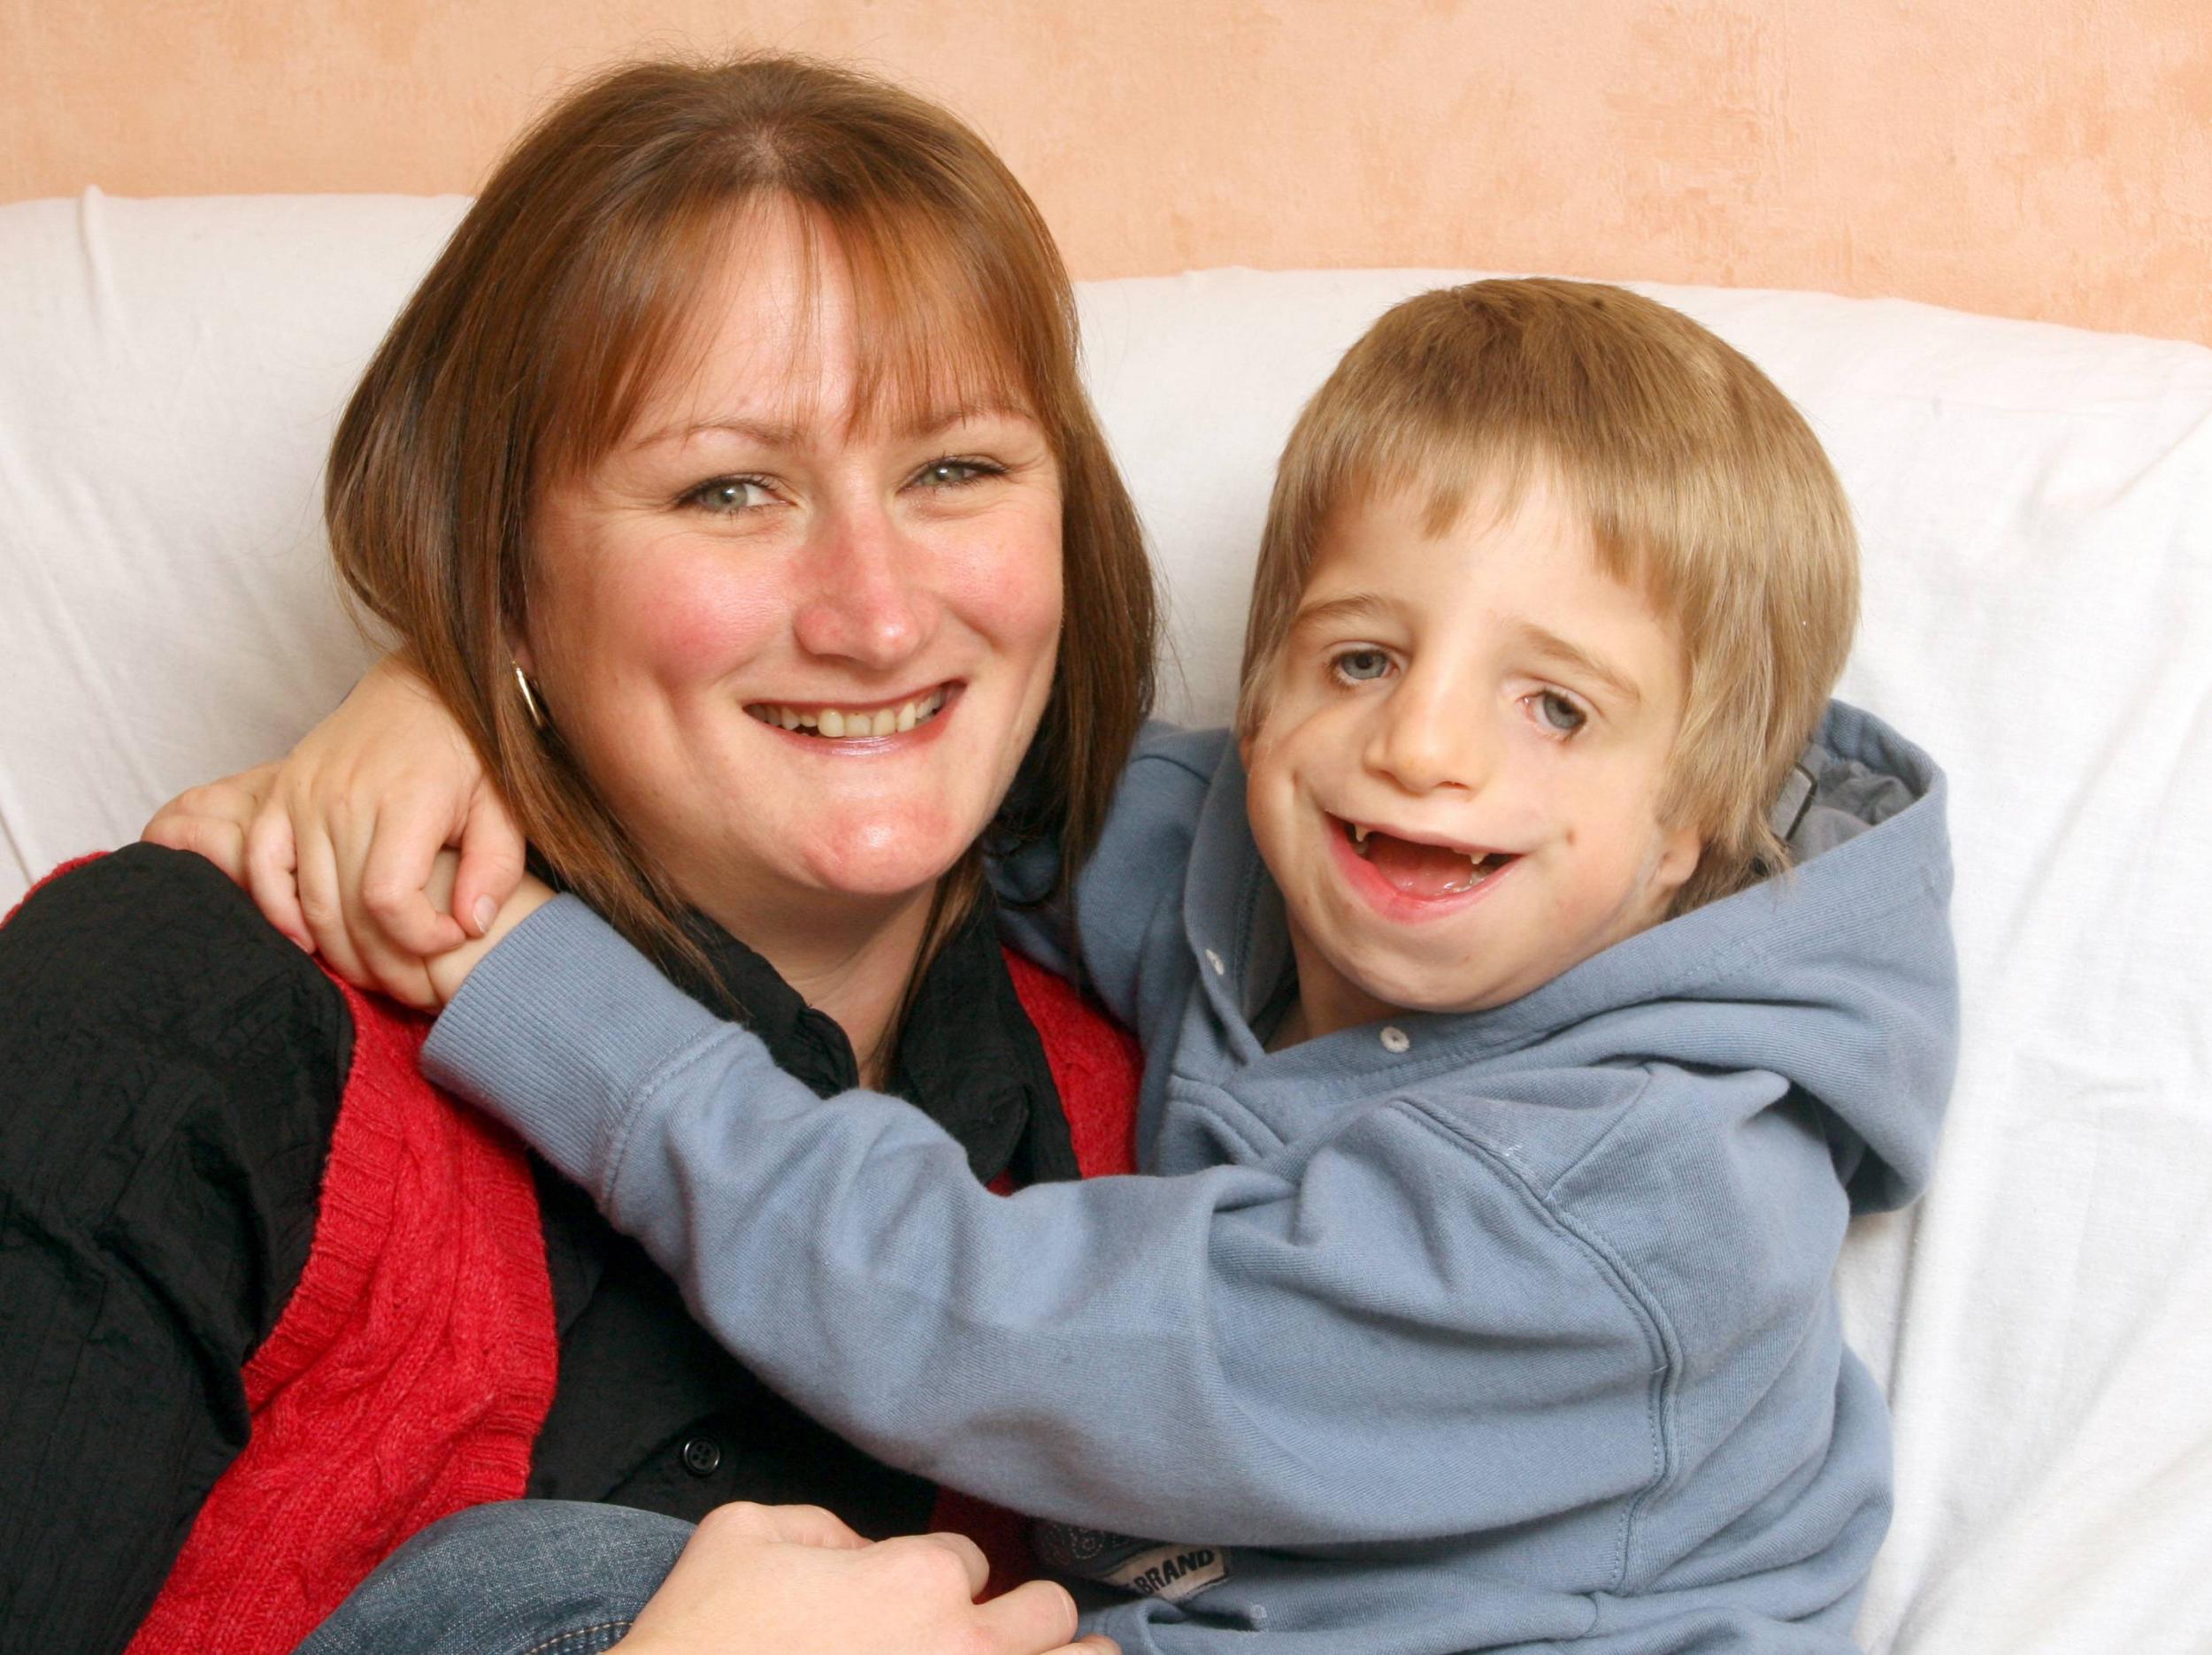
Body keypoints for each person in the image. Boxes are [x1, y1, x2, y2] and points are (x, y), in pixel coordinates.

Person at [184, 279, 1958, 1653]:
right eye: (1357, 658)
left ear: (1691, 827)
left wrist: (523, 972)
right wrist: (454, 705)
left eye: (1552, 704)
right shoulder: (1249, 867)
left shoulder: (1628, 1205)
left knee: (553, 1593)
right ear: (1263, 680)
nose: (1419, 746)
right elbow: (890, 764)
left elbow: (976, 1318)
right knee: (517, 1587)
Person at [0, 49, 1158, 1655]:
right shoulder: (177, 1011)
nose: (880, 614)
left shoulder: (1179, 1097)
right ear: (506, 570)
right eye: (729, 489)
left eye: (955, 469)